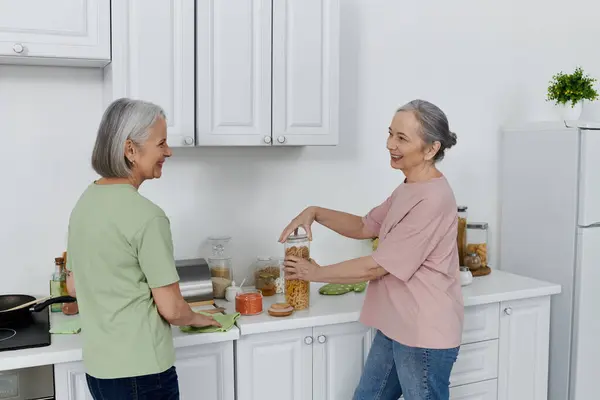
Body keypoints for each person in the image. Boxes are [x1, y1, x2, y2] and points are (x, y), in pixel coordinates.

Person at [279, 99, 464, 400]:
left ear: (431, 149)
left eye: (402, 138)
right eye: (390, 133)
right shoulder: (409, 186)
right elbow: (366, 225)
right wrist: (316, 212)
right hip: (396, 324)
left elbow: (377, 266)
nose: (390, 144)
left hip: (423, 333)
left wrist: (315, 273)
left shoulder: (433, 199)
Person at [65, 98, 220, 400]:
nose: (168, 152)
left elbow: (73, 285)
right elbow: (173, 309)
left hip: (100, 371)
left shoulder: (85, 203)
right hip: (143, 372)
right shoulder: (147, 216)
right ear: (130, 150)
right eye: (161, 143)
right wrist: (198, 317)